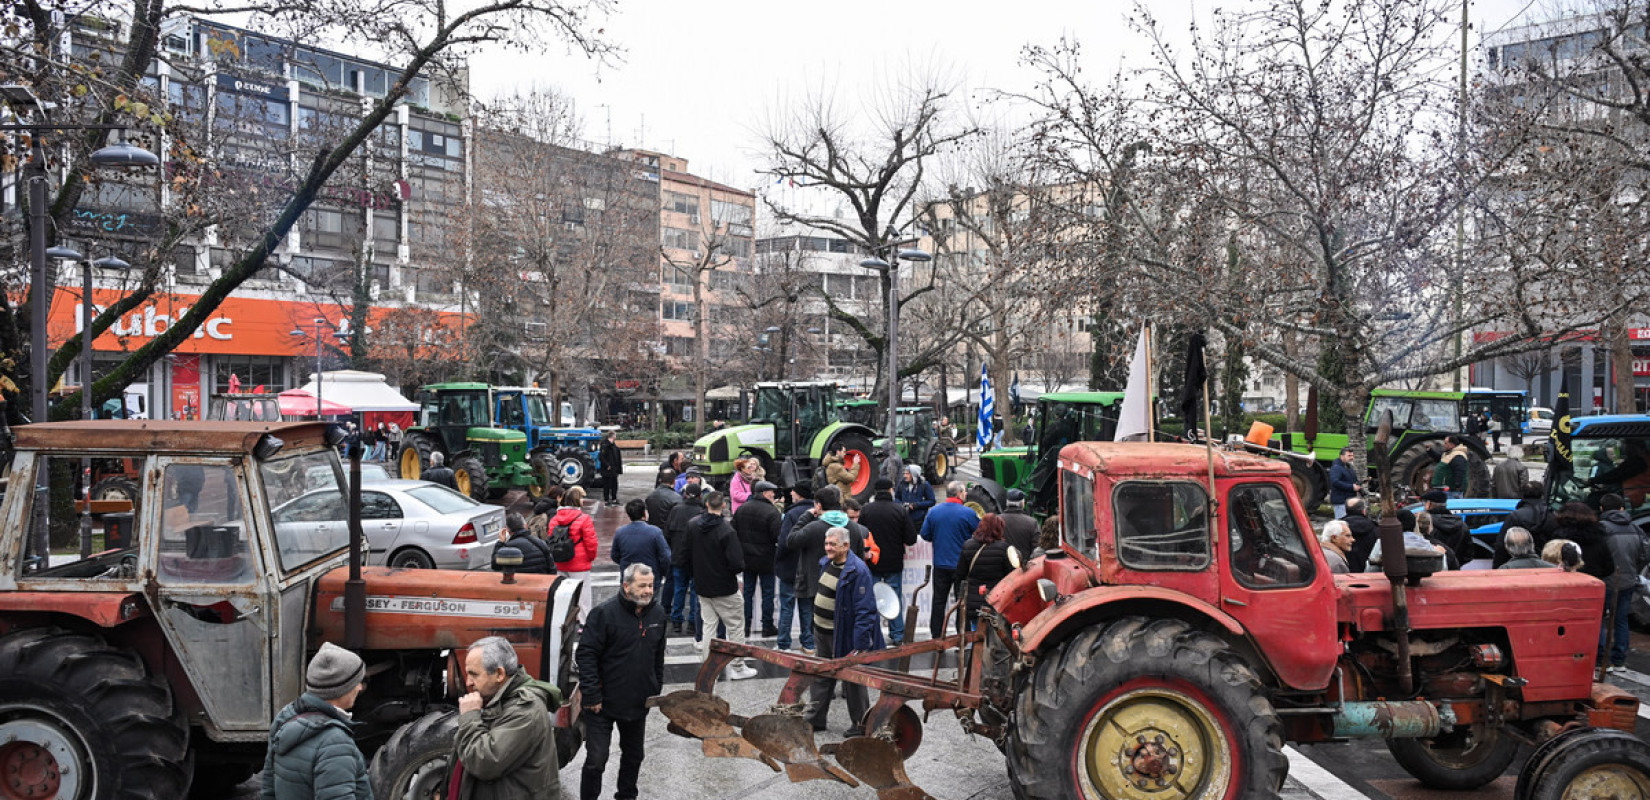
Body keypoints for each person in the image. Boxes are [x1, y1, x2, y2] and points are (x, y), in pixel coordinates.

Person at [577, 564, 667, 800]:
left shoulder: (658, 614)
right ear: (626, 586)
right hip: (602, 703)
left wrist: (655, 687)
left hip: (637, 703)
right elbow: (586, 654)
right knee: (596, 760)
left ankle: (626, 796)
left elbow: (658, 655)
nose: (648, 590)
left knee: (634, 756)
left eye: (651, 585)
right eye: (642, 585)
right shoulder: (604, 614)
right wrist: (591, 694)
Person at [451, 636, 561, 800]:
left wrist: (470, 717)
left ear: (499, 674)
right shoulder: (495, 698)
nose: (468, 682)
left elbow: (483, 762)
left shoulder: (526, 710)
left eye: (474, 674)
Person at [260, 642, 371, 800]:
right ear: (340, 689)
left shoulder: (285, 718)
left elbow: (268, 788)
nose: (359, 687)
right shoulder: (336, 744)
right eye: (356, 682)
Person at [807, 527, 884, 736]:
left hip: (843, 635)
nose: (828, 548)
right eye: (826, 544)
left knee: (852, 680)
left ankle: (861, 723)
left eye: (833, 544)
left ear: (846, 546)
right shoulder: (826, 563)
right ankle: (816, 718)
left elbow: (865, 610)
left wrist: (859, 644)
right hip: (822, 631)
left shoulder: (858, 571)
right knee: (821, 675)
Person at [677, 491, 757, 680]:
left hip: (703, 585)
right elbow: (737, 563)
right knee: (735, 626)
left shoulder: (693, 525)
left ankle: (709, 665)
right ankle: (737, 666)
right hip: (725, 587)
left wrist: (695, 574)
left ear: (706, 505)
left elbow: (683, 556)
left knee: (709, 627)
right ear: (723, 506)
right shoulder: (726, 530)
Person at [859, 478, 918, 644]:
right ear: (890, 490)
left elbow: (861, 535)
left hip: (872, 562)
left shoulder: (866, 510)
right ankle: (898, 634)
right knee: (894, 599)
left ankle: (873, 635)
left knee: (871, 600)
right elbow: (911, 538)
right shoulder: (899, 511)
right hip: (894, 562)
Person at [920, 481, 981, 639]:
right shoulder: (968, 513)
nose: (966, 494)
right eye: (965, 492)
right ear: (959, 494)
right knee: (962, 601)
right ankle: (962, 635)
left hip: (940, 564)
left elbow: (925, 534)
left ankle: (936, 635)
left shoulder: (934, 512)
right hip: (961, 566)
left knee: (939, 601)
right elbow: (979, 534)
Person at [1600, 493, 1643, 672]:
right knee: (1621, 620)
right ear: (1621, 508)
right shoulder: (1635, 528)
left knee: (1600, 620)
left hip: (1605, 580)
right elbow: (1644, 555)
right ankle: (1619, 661)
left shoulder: (1601, 528)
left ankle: (1602, 661)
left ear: (1602, 509)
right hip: (1627, 580)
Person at [734, 480, 782, 637]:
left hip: (746, 558)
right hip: (766, 559)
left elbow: (733, 531)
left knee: (747, 592)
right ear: (764, 493)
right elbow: (777, 536)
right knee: (768, 593)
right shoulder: (772, 512)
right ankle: (767, 625)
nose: (773, 495)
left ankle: (745, 626)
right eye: (771, 492)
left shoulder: (742, 509)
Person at [776, 484, 816, 654]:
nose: (791, 493)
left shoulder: (791, 514)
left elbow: (785, 542)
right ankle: (808, 643)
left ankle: (784, 644)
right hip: (809, 568)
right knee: (807, 607)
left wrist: (778, 560)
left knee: (787, 607)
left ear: (799, 495)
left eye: (794, 491)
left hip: (790, 567)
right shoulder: (817, 514)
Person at [550, 486, 599, 624]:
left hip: (560, 561)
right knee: (583, 596)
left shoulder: (554, 519)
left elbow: (551, 538)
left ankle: (562, 621)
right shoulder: (584, 519)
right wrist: (590, 557)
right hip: (579, 563)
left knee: (563, 595)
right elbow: (591, 542)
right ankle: (583, 622)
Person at [957, 514, 1016, 629]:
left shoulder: (968, 546)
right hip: (997, 602)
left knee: (976, 635)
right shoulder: (1004, 548)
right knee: (996, 635)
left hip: (973, 602)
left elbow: (960, 575)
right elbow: (1011, 575)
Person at [665, 484, 706, 637]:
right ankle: (692, 622)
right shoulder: (701, 512)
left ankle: (676, 621)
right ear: (700, 496)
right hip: (696, 559)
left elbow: (667, 533)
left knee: (679, 589)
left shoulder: (676, 510)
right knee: (695, 591)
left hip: (678, 556)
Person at [1494, 481, 1557, 567]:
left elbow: (1501, 545)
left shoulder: (1515, 516)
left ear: (1522, 495)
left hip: (1519, 564)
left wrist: (1497, 568)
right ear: (1542, 495)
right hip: (1547, 563)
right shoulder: (1551, 515)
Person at [1554, 501, 1614, 585]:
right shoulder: (1598, 538)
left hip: (1563, 585)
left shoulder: (1557, 539)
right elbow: (1609, 568)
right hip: (1592, 584)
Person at [611, 499, 670, 580]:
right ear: (644, 513)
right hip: (651, 576)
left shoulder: (620, 532)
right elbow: (665, 556)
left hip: (629, 577)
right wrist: (662, 572)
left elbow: (614, 555)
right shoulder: (655, 532)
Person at [1420, 490, 1474, 566]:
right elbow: (1468, 554)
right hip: (1455, 571)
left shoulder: (1425, 525)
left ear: (1428, 504)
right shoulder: (1462, 525)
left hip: (1432, 570)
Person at [1341, 497, 1380, 573]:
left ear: (1346, 510)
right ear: (1364, 511)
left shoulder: (1336, 528)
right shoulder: (1375, 529)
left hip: (1343, 572)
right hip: (1370, 573)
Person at [1000, 489, 1039, 555]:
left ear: (1007, 503)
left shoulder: (996, 520)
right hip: (1023, 563)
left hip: (1001, 563)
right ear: (1022, 503)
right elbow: (1036, 548)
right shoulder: (1032, 522)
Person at [896, 464, 935, 529]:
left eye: (907, 474)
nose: (905, 476)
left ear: (914, 474)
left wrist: (916, 505)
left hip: (918, 520)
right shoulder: (902, 483)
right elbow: (897, 497)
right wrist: (901, 505)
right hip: (903, 518)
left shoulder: (924, 484)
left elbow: (932, 501)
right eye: (904, 473)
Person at [1328, 447, 1361, 519]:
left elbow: (1350, 481)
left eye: (1352, 455)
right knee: (1341, 524)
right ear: (1342, 456)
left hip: (1348, 501)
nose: (1351, 458)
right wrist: (1352, 487)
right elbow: (1335, 482)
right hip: (1340, 502)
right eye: (1349, 456)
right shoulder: (1336, 468)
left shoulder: (1349, 467)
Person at [599, 431, 623, 506]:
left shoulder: (614, 446)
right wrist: (607, 465)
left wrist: (618, 469)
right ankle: (606, 500)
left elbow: (617, 458)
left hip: (614, 470)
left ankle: (614, 498)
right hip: (607, 470)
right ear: (613, 436)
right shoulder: (605, 445)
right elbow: (601, 457)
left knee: (614, 485)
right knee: (606, 485)